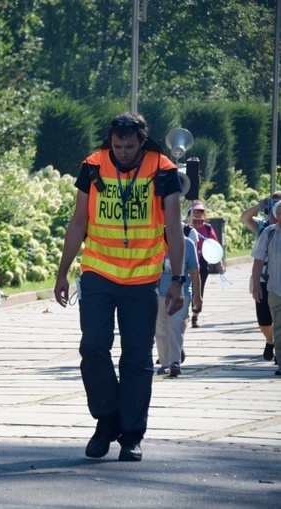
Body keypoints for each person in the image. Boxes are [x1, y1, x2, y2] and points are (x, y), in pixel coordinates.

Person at [54, 112, 184, 462]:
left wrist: (178, 279)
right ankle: (107, 420)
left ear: (143, 142)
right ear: (109, 142)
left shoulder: (164, 170)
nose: (122, 152)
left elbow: (174, 226)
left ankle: (131, 435)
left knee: (137, 359)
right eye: (117, 146)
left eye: (129, 146)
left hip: (143, 278)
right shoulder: (93, 166)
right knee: (93, 347)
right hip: (98, 272)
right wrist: (62, 272)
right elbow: (79, 220)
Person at [155, 229, 201, 377]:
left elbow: (194, 272)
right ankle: (165, 364)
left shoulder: (188, 244)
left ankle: (175, 362)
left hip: (181, 293)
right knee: (161, 330)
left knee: (175, 325)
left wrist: (197, 296)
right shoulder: (155, 242)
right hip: (158, 293)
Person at [241, 192, 281, 360]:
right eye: (274, 205)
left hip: (275, 280)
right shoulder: (265, 228)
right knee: (265, 319)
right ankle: (270, 340)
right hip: (266, 281)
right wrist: (260, 205)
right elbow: (245, 218)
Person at [251, 201, 281, 376]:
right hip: (275, 288)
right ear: (276, 215)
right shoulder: (268, 234)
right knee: (278, 326)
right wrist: (256, 286)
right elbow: (258, 261)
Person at [187, 200, 224, 328]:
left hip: (202, 262)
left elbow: (215, 246)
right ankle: (184, 314)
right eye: (195, 211)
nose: (197, 214)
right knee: (186, 288)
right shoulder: (185, 226)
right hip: (186, 261)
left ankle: (195, 315)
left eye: (200, 211)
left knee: (199, 289)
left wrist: (220, 264)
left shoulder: (207, 228)